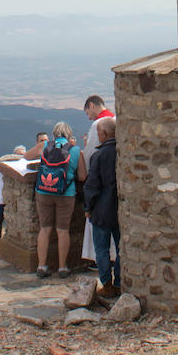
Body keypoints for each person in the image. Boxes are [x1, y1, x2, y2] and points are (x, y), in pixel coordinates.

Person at [26, 122, 86, 279]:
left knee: (44, 229)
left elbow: (26, 156)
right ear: (69, 135)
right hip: (66, 194)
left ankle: (42, 266)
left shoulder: (45, 145)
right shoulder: (75, 151)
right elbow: (82, 176)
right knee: (63, 230)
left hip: (44, 191)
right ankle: (62, 267)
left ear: (54, 135)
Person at [83, 117, 119, 296]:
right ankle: (120, 282)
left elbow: (92, 185)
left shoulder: (99, 156)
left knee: (102, 249)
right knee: (121, 248)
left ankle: (107, 285)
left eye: (98, 133)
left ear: (103, 134)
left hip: (101, 210)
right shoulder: (122, 152)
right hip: (119, 209)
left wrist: (88, 207)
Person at [79, 95, 115, 266]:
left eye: (88, 112)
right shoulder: (115, 118)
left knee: (99, 239)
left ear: (92, 105)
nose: (89, 116)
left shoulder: (97, 125)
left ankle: (99, 264)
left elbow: (90, 154)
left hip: (99, 186)